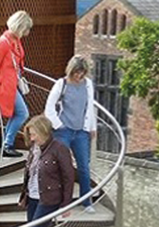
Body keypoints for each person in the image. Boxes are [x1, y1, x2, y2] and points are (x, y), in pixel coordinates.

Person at [44, 55, 98, 213]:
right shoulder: (62, 84)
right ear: (71, 70)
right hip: (64, 131)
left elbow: (89, 107)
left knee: (84, 167)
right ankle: (60, 201)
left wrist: (92, 127)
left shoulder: (88, 85)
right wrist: (59, 125)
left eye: (82, 73)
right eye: (76, 72)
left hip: (81, 131)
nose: (79, 76)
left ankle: (86, 201)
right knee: (63, 166)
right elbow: (49, 106)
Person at [19, 115, 75, 227]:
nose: (32, 138)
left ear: (44, 132)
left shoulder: (59, 148)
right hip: (32, 196)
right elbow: (29, 174)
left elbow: (68, 176)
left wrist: (66, 204)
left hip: (49, 198)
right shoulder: (34, 148)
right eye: (30, 135)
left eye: (34, 135)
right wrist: (23, 196)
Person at [0, 10, 33, 157]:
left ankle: (7, 142)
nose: (27, 32)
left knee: (19, 113)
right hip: (5, 85)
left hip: (11, 84)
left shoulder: (13, 41)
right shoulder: (4, 43)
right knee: (22, 113)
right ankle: (7, 143)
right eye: (26, 29)